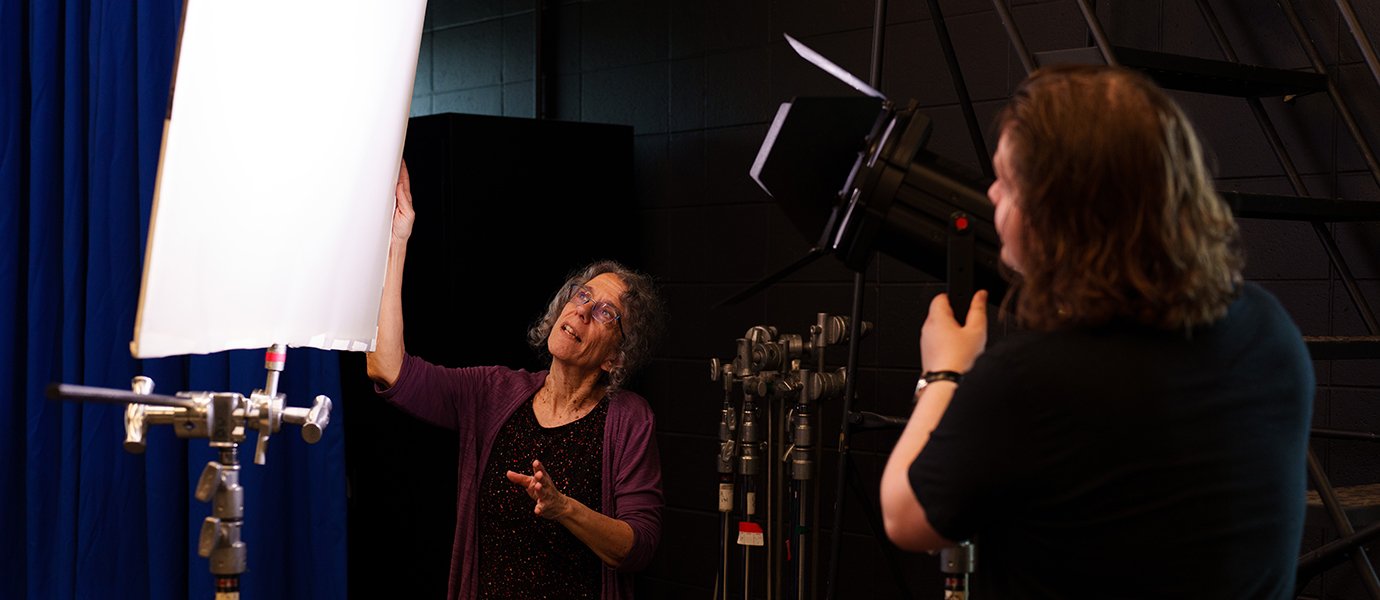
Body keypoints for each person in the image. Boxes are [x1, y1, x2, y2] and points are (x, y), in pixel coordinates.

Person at [880, 65, 1314, 598]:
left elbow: (905, 517)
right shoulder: (1269, 327)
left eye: (1008, 183)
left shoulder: (1033, 380)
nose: (990, 194)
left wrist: (944, 372)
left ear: (1059, 215)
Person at [367, 161, 665, 600]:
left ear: (616, 357)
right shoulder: (493, 393)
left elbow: (638, 548)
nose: (583, 309)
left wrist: (564, 508)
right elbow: (387, 368)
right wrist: (397, 242)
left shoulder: (628, 419)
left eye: (606, 312)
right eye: (583, 294)